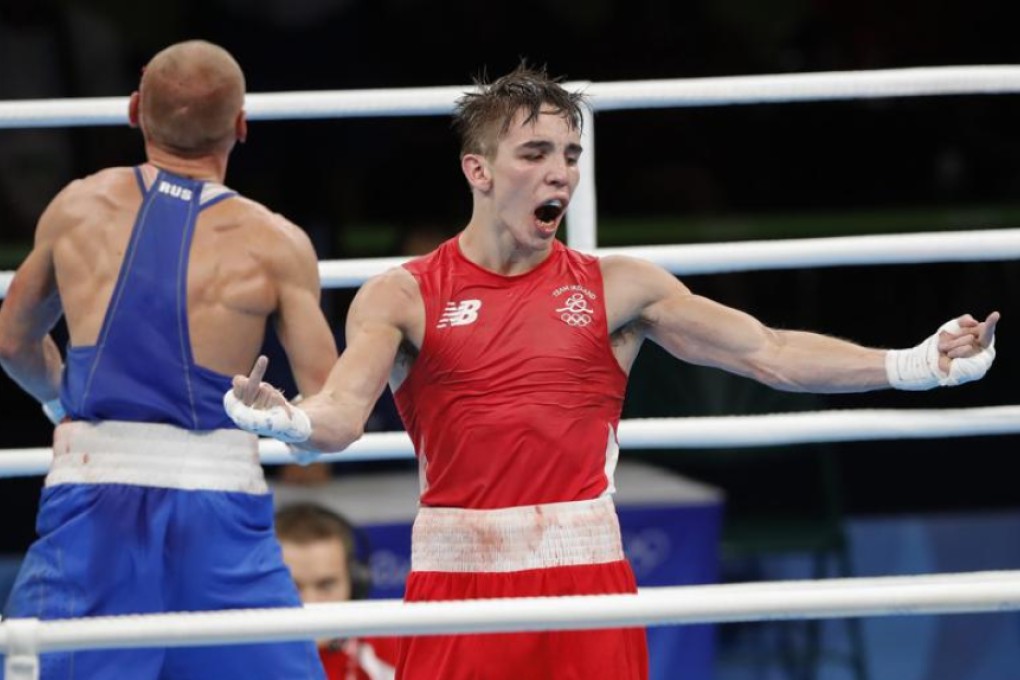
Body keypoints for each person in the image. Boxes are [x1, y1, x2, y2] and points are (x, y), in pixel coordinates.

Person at [223, 64, 1000, 680]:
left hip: (587, 577)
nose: (559, 174)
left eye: (570, 155)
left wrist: (914, 364)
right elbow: (342, 414)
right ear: (478, 170)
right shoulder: (403, 294)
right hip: (458, 584)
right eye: (535, 154)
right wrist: (288, 421)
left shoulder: (620, 288)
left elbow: (768, 351)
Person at [0, 40, 337, 679]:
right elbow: (327, 409)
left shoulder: (77, 207)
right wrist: (288, 427)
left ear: (135, 111)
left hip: (91, 497)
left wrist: (58, 398)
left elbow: (13, 342)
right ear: (240, 126)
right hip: (220, 509)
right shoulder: (275, 243)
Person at [276, 502, 400, 680]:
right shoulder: (241, 659)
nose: (310, 603)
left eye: (325, 585)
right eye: (292, 586)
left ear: (354, 583)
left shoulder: (394, 658)